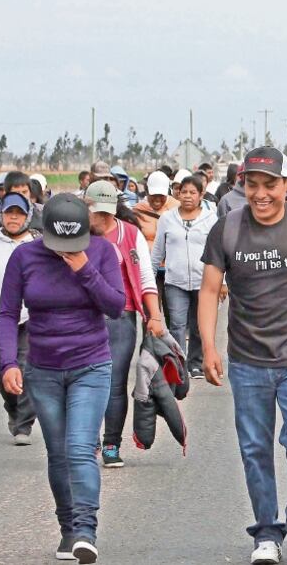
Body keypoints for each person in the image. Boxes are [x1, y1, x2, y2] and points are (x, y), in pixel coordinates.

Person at [198, 146, 287, 565]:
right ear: (241, 185)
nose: (260, 194)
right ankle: (265, 532)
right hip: (247, 359)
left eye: (269, 185)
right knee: (254, 447)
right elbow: (209, 290)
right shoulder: (226, 230)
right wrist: (208, 347)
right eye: (251, 185)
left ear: (286, 185)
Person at [0, 193, 125, 563]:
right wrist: (9, 363)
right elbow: (7, 313)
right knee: (58, 453)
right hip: (43, 370)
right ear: (44, 231)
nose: (65, 250)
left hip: (91, 365)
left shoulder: (99, 252)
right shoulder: (24, 257)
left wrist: (84, 268)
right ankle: (68, 529)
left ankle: (86, 531)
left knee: (81, 447)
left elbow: (116, 306)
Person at [84, 180, 163, 469]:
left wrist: (154, 317)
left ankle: (111, 444)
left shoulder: (130, 234)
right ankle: (87, 440)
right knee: (85, 380)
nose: (101, 218)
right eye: (95, 211)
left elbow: (145, 278)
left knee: (114, 381)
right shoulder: (75, 234)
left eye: (106, 211)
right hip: (83, 318)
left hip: (121, 317)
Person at [151, 175, 218, 379]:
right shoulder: (167, 219)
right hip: (175, 282)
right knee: (177, 325)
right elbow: (157, 252)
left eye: (192, 192)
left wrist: (222, 282)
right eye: (184, 192)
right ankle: (178, 363)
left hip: (203, 282)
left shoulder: (211, 219)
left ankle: (196, 363)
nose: (188, 196)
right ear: (177, 193)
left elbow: (217, 253)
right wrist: (150, 279)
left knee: (199, 325)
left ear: (201, 195)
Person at [0, 193, 40, 445]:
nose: (13, 217)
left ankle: (24, 423)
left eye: (19, 213)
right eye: (9, 212)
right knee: (4, 373)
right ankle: (13, 408)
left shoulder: (36, 245)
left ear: (27, 216)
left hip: (30, 317)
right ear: (1, 214)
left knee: (27, 369)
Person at [133, 171, 179, 324]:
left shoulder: (177, 208)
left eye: (161, 195)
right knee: (150, 314)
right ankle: (150, 345)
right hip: (149, 269)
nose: (157, 199)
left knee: (174, 314)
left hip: (172, 269)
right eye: (154, 195)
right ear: (147, 192)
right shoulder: (138, 210)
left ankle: (174, 347)